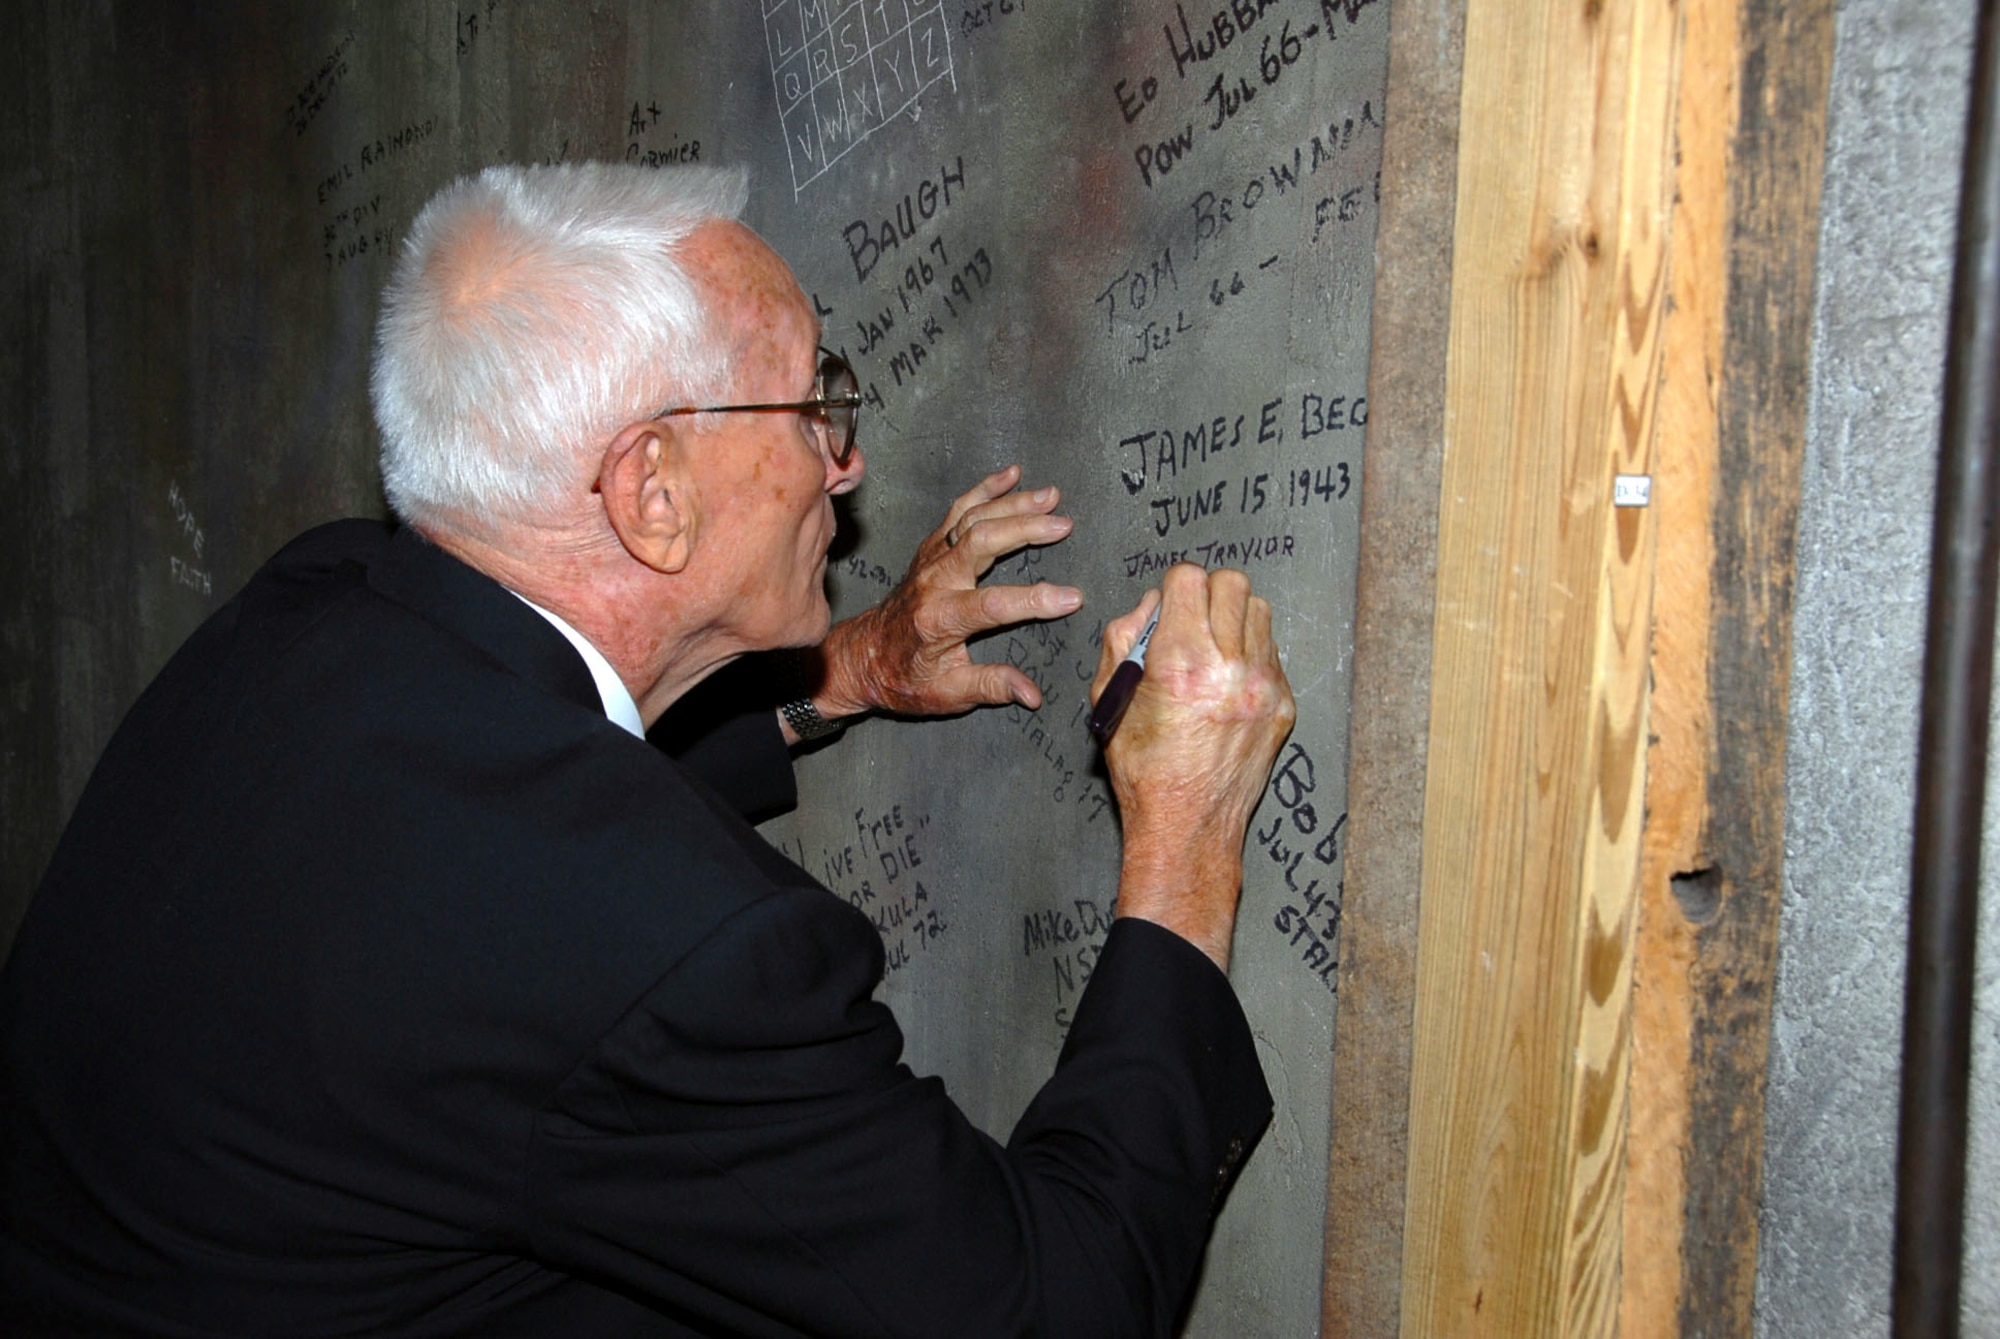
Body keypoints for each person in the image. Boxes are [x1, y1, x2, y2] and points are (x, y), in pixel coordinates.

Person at [0, 163, 1296, 1336]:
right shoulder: (683, 959)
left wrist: (839, 672)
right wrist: (1184, 842)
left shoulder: (323, 601)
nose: (843, 467)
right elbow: (1052, 1307)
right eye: (812, 404)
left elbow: (488, 838)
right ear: (652, 491)